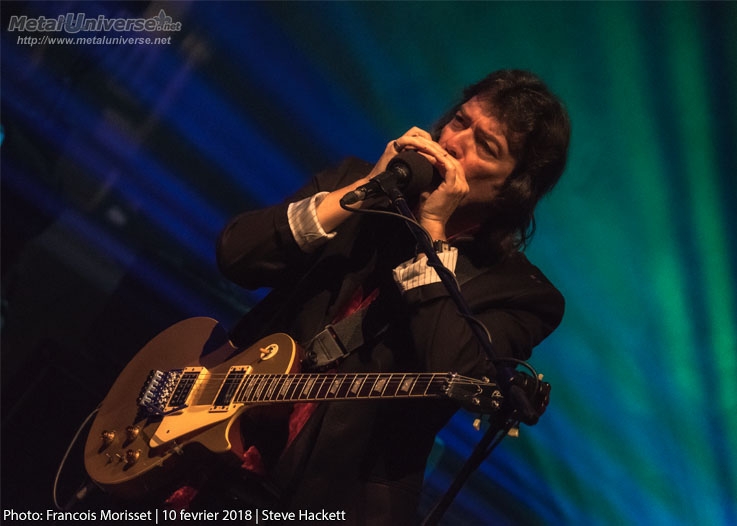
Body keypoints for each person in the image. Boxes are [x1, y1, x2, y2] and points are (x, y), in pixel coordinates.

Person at [213, 69, 571, 524]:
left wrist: (432, 232)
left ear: (514, 189)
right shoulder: (356, 185)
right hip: (218, 438)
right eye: (460, 121)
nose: (454, 143)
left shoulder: (523, 295)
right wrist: (360, 191)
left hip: (337, 498)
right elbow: (237, 255)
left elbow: (451, 364)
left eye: (486, 146)